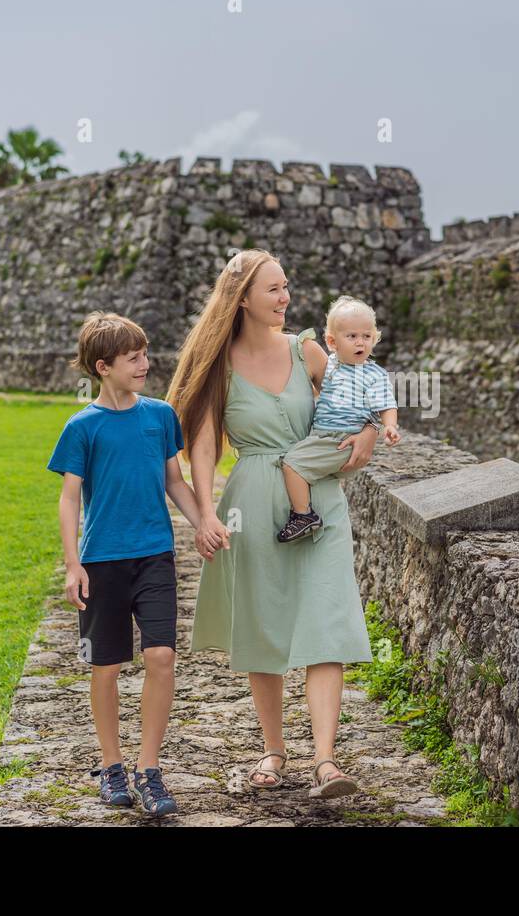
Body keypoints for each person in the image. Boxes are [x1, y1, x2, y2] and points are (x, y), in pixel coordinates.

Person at [169, 248, 379, 798]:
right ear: (242, 299)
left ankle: (327, 761)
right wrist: (207, 513)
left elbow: (354, 396)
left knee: (326, 619)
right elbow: (206, 443)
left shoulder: (308, 348)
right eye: (273, 290)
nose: (285, 297)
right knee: (262, 627)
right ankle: (274, 750)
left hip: (318, 499)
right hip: (251, 503)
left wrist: (369, 434)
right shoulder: (218, 365)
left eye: (287, 286)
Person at [46, 311, 203, 817]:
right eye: (133, 357)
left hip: (155, 556)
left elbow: (174, 481)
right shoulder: (81, 427)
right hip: (102, 563)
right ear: (103, 365)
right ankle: (112, 764)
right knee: (106, 665)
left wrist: (203, 521)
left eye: (144, 353)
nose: (145, 363)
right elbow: (70, 499)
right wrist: (73, 565)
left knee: (161, 658)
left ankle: (149, 768)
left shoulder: (160, 416)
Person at [275, 294, 401, 543]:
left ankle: (303, 515)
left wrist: (389, 426)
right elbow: (316, 391)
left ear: (374, 339)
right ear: (332, 342)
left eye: (367, 336)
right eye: (352, 336)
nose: (360, 342)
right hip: (323, 436)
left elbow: (386, 404)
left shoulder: (373, 374)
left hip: (342, 439)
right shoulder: (330, 364)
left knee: (291, 464)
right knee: (301, 466)